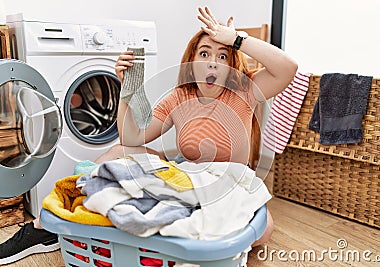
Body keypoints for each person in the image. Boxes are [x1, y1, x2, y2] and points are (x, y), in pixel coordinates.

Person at [0, 6, 297, 264]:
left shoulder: (245, 91)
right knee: (117, 153)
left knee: (264, 229)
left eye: (222, 56)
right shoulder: (180, 97)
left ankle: (142, 231)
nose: (212, 62)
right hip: (187, 174)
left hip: (227, 182)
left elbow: (288, 68)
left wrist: (235, 39)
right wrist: (125, 89)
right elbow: (132, 139)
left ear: (231, 65)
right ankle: (47, 226)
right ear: (191, 60)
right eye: (204, 53)